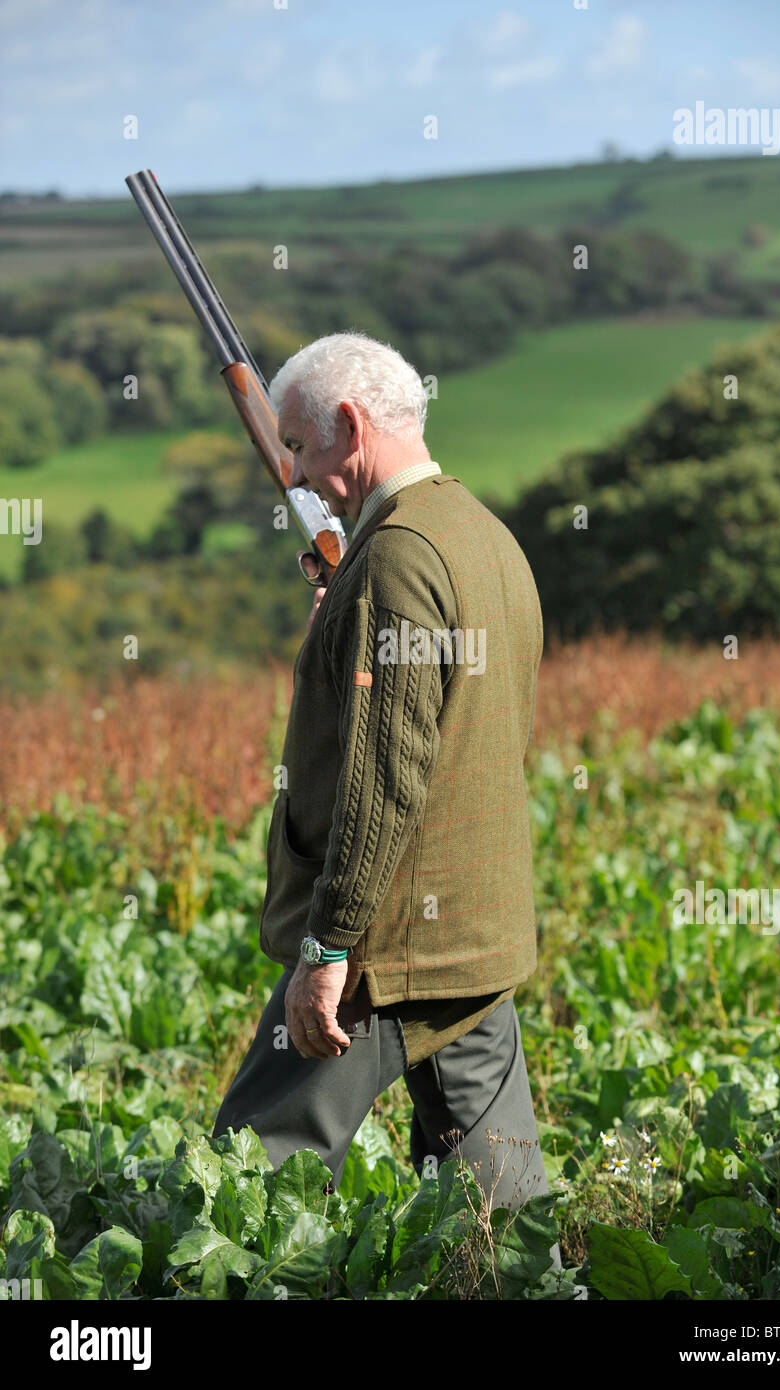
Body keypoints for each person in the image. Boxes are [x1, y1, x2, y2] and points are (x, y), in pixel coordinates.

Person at [213, 330, 559, 1264]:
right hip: (476, 938)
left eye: (299, 445)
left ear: (352, 426)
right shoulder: (482, 535)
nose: (292, 467)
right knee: (502, 1222)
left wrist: (329, 947)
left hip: (385, 951)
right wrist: (345, 614)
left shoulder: (398, 561)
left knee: (245, 1193)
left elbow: (389, 770)